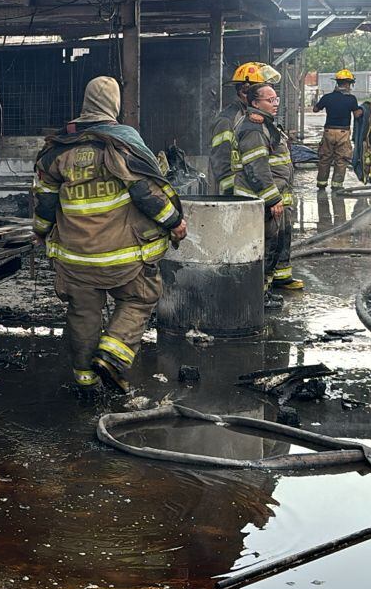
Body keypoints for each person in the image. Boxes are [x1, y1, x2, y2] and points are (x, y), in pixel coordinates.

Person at [32, 76, 187, 396]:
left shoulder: (58, 150)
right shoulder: (122, 145)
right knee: (140, 298)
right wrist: (174, 222)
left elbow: (44, 202)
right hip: (123, 256)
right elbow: (146, 193)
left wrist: (40, 232)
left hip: (75, 258)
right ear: (113, 105)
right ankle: (112, 356)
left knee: (83, 313)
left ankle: (86, 380)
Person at [235, 81, 302, 292]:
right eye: (270, 100)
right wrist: (272, 198)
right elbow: (256, 167)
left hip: (275, 197)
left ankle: (273, 284)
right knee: (265, 245)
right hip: (262, 200)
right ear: (255, 103)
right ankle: (259, 293)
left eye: (276, 99)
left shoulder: (266, 124)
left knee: (277, 241)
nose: (275, 104)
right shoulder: (253, 129)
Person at [208, 62, 281, 195]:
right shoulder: (227, 120)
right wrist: (233, 193)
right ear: (244, 91)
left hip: (259, 191)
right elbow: (221, 162)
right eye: (262, 87)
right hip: (240, 196)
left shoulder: (256, 116)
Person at [311, 69, 362, 189]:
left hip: (328, 132)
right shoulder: (351, 99)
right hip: (343, 133)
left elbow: (315, 109)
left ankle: (321, 183)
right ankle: (337, 185)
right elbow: (357, 115)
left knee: (325, 158)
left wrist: (320, 103)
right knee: (341, 159)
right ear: (348, 84)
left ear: (337, 83)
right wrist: (363, 109)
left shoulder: (327, 97)